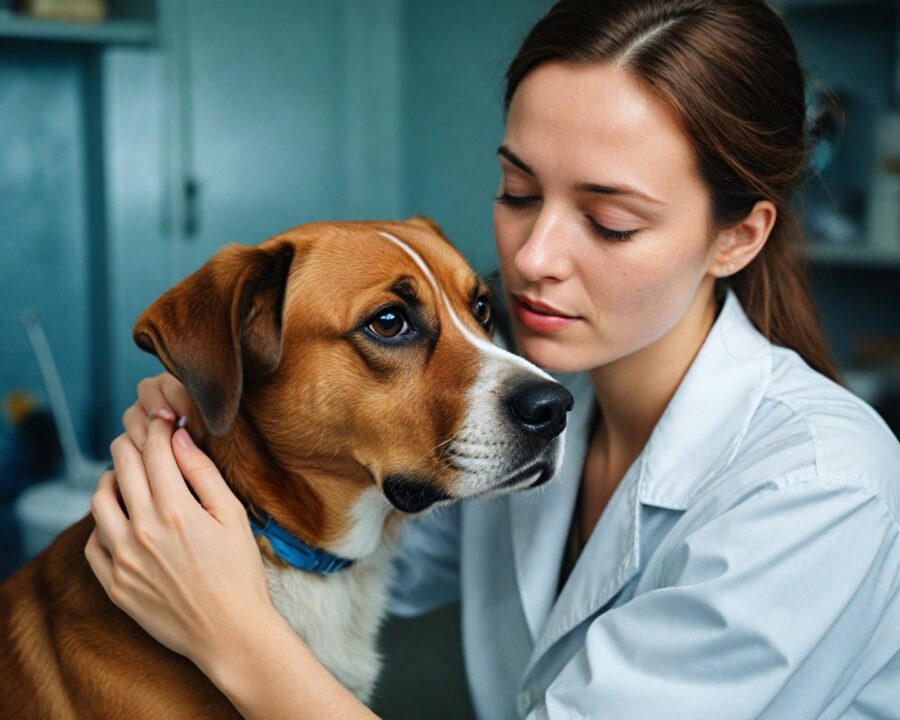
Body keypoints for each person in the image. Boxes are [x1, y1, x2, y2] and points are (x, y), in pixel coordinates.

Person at [86, 0, 900, 718]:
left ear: (738, 236)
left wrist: (232, 633)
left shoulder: (823, 485)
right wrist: (209, 453)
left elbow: (259, 621)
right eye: (517, 193)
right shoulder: (548, 406)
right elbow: (350, 545)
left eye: (610, 221)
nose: (532, 256)